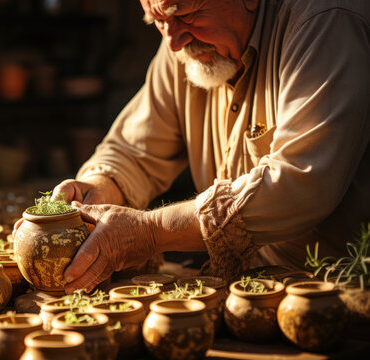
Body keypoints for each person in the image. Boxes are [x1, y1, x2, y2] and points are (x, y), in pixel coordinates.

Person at [45, 0, 370, 293]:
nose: (172, 42)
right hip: (240, 294)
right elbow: (132, 150)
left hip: (336, 300)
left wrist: (150, 231)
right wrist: (100, 188)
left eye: (184, 14)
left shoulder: (326, 18)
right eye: (156, 20)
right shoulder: (182, 42)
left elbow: (301, 184)